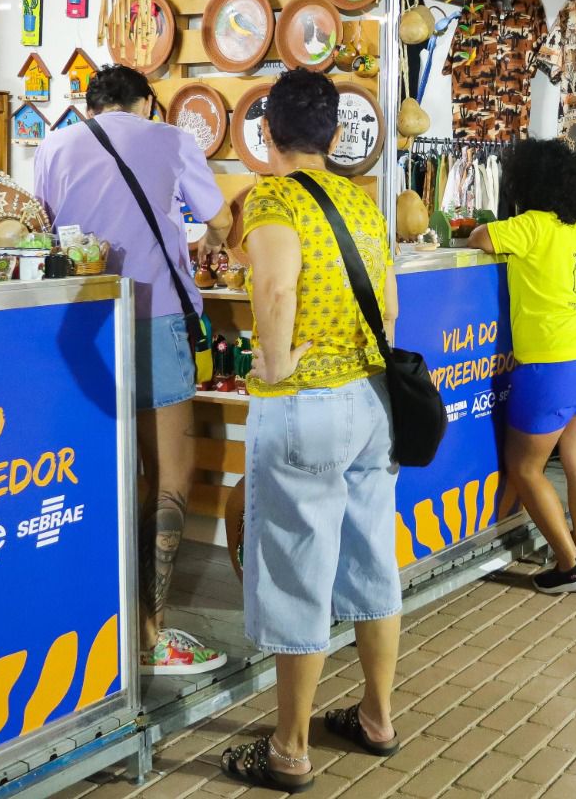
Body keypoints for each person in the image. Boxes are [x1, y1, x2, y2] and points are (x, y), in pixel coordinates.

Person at [219, 69, 401, 792]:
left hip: (306, 404)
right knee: (371, 557)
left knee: (299, 565)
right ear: (334, 134)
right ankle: (377, 717)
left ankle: (289, 750)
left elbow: (273, 287)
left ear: (267, 132)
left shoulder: (273, 198)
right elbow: (389, 305)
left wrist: (272, 360)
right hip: (372, 400)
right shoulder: (362, 204)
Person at [32, 65, 229, 677]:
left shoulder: (53, 145)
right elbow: (218, 218)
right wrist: (203, 243)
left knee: (94, 469)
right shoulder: (171, 138)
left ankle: (98, 625)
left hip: (77, 324)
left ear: (91, 104)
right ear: (145, 102)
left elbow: (42, 233)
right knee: (168, 473)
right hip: (152, 315)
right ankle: (150, 636)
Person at [466, 138, 576, 594]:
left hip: (555, 364)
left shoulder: (528, 226)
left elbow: (479, 238)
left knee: (525, 466)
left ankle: (570, 567)